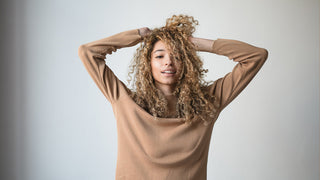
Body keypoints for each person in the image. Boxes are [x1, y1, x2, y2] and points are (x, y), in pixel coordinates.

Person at [78, 14, 268, 180]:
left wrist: (197, 43)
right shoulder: (124, 102)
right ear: (147, 63)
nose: (168, 61)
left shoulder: (207, 103)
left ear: (188, 63)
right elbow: (88, 52)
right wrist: (138, 34)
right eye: (159, 56)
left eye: (177, 55)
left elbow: (256, 56)